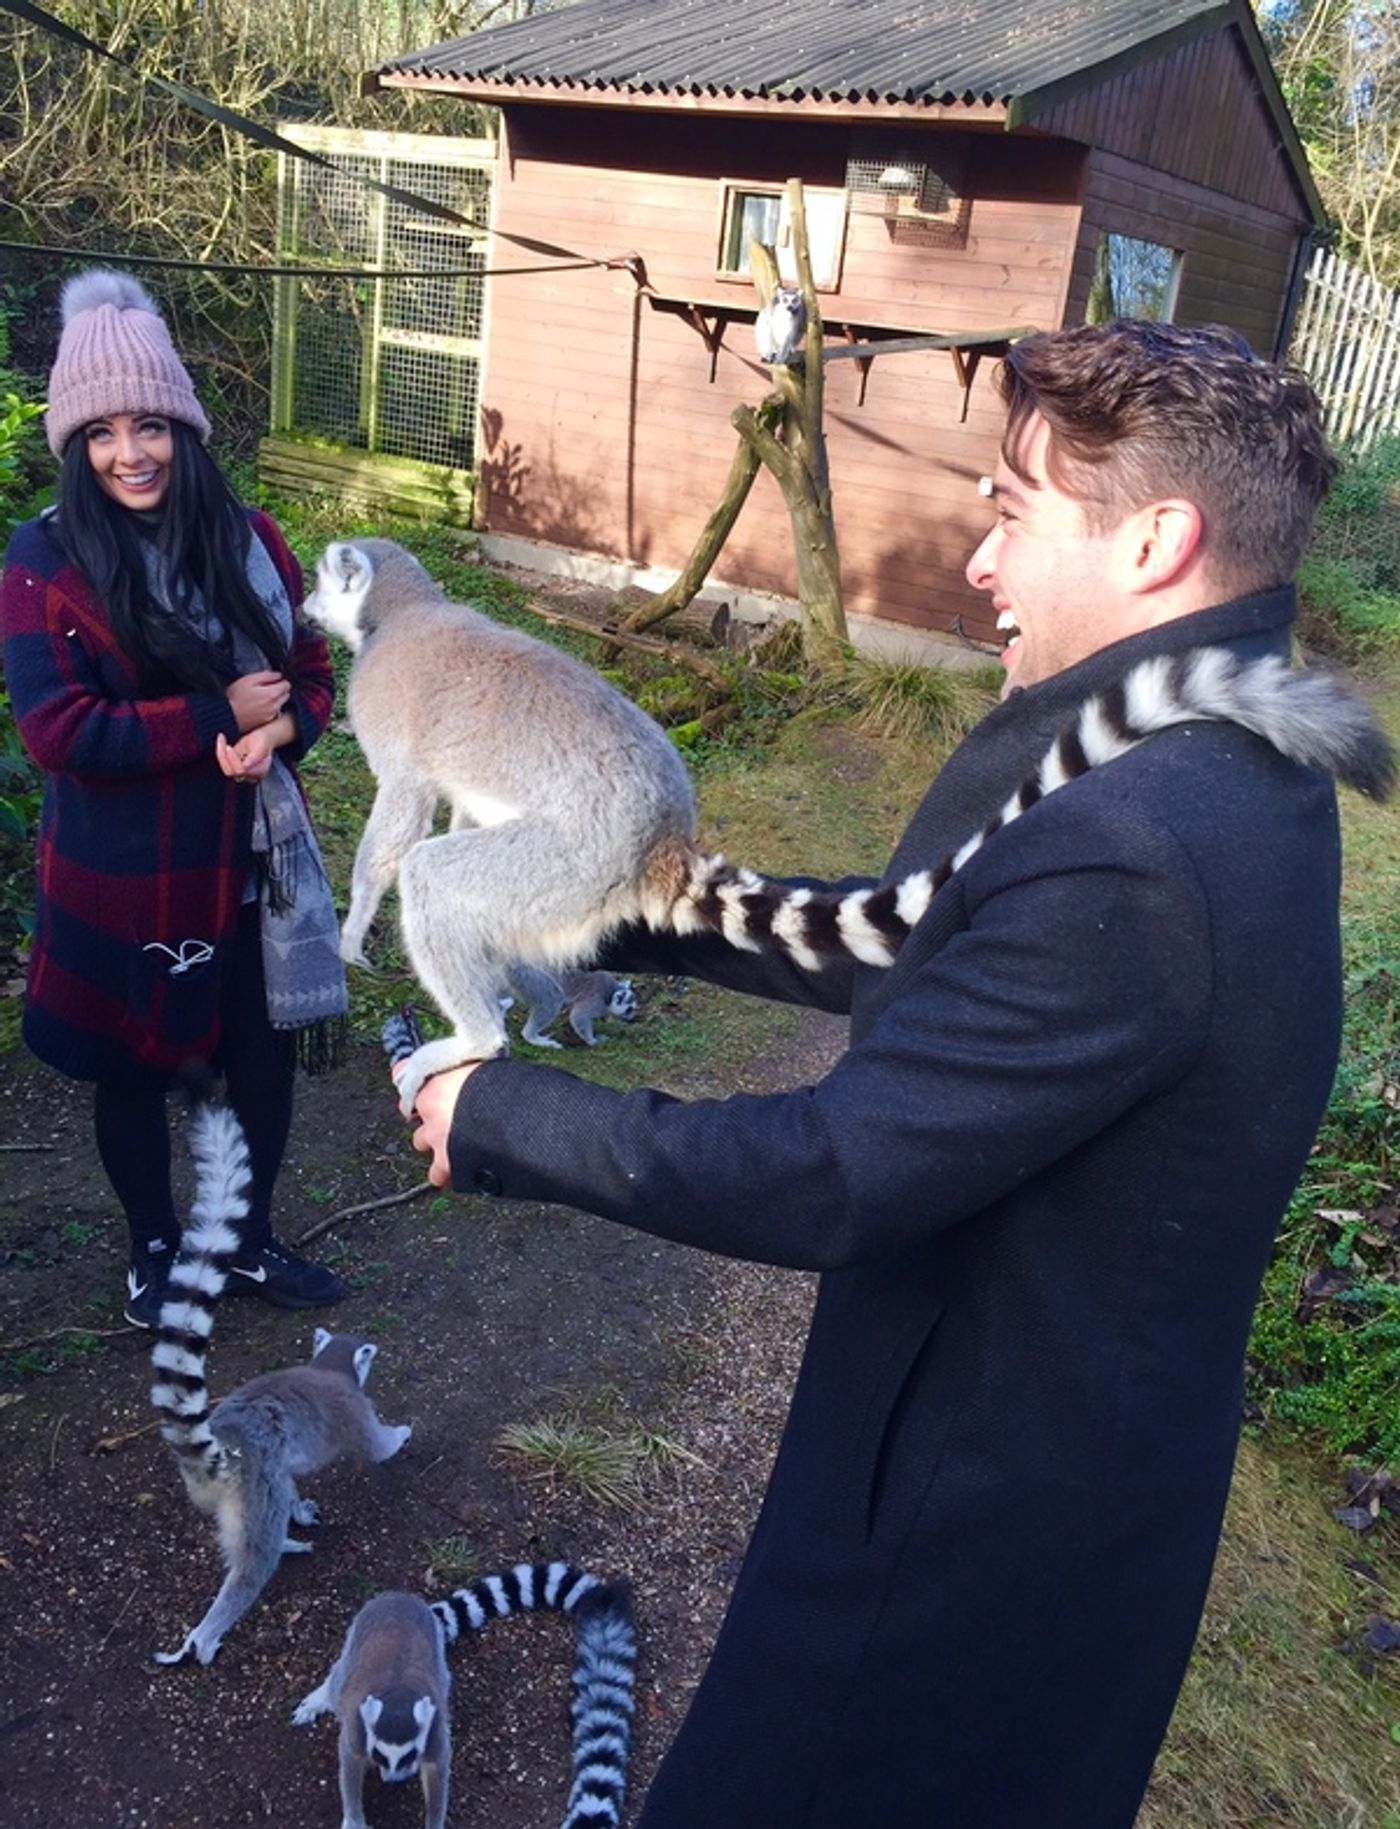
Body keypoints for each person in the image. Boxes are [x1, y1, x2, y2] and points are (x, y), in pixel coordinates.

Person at [398, 322, 1391, 1827]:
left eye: (1014, 512)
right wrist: (631, 904)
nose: (981, 562)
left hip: (972, 1532)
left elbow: (833, 1169)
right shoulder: (1217, 759)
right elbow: (923, 946)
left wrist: (504, 1112)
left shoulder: (1143, 843)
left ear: (1156, 543)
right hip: (1066, 1472)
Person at [1, 268, 348, 1329]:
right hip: (126, 872)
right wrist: (213, 719)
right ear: (75, 445)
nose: (130, 453)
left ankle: (243, 1237)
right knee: (136, 1066)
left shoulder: (253, 538)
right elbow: (57, 729)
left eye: (149, 424)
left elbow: (311, 676)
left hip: (250, 861)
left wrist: (278, 732)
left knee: (260, 1058)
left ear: (183, 429)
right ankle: (152, 1248)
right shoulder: (44, 560)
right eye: (101, 432)